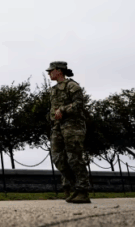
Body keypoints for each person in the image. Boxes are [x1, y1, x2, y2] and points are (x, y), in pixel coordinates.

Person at [47, 60, 92, 204]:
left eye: (51, 70)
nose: (49, 73)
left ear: (59, 71)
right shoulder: (53, 89)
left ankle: (83, 191)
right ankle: (75, 187)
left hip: (73, 126)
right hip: (57, 126)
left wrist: (63, 110)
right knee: (57, 158)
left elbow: (79, 104)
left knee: (74, 158)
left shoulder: (72, 86)